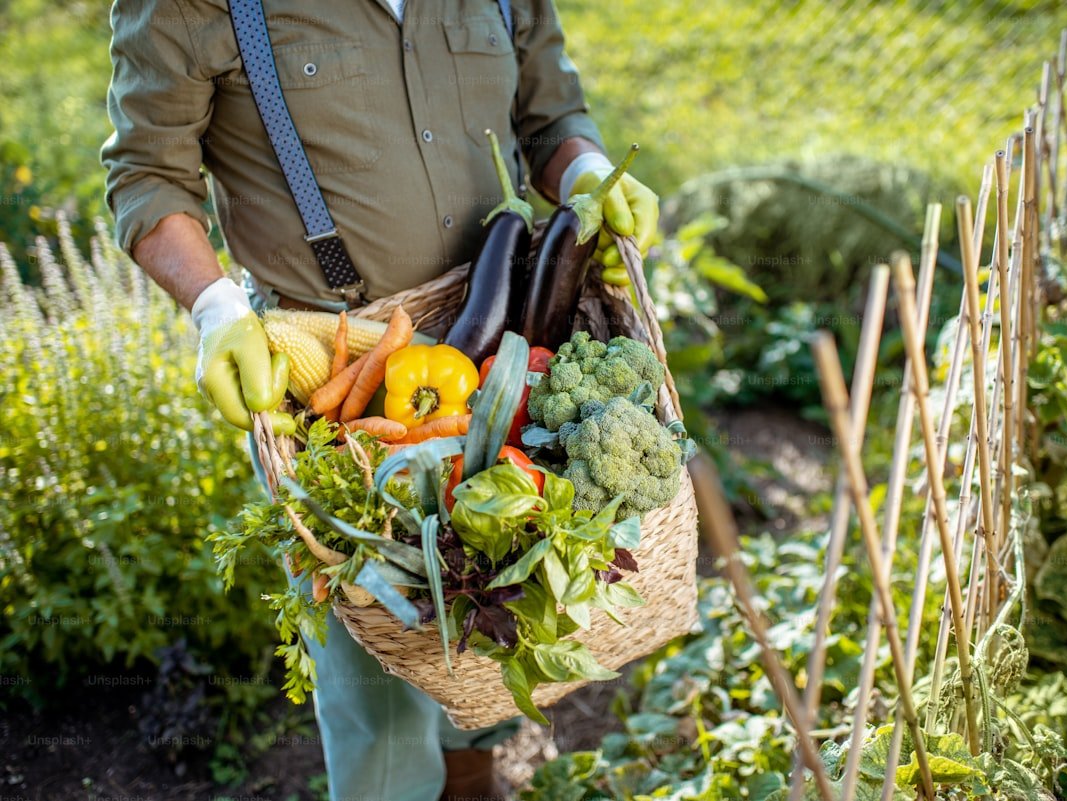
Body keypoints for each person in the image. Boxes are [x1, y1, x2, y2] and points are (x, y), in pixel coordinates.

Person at [100, 1, 659, 799]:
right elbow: (147, 172)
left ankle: (473, 775)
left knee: (492, 608)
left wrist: (582, 171)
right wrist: (216, 310)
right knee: (381, 680)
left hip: (509, 360)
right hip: (339, 389)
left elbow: (548, 114)